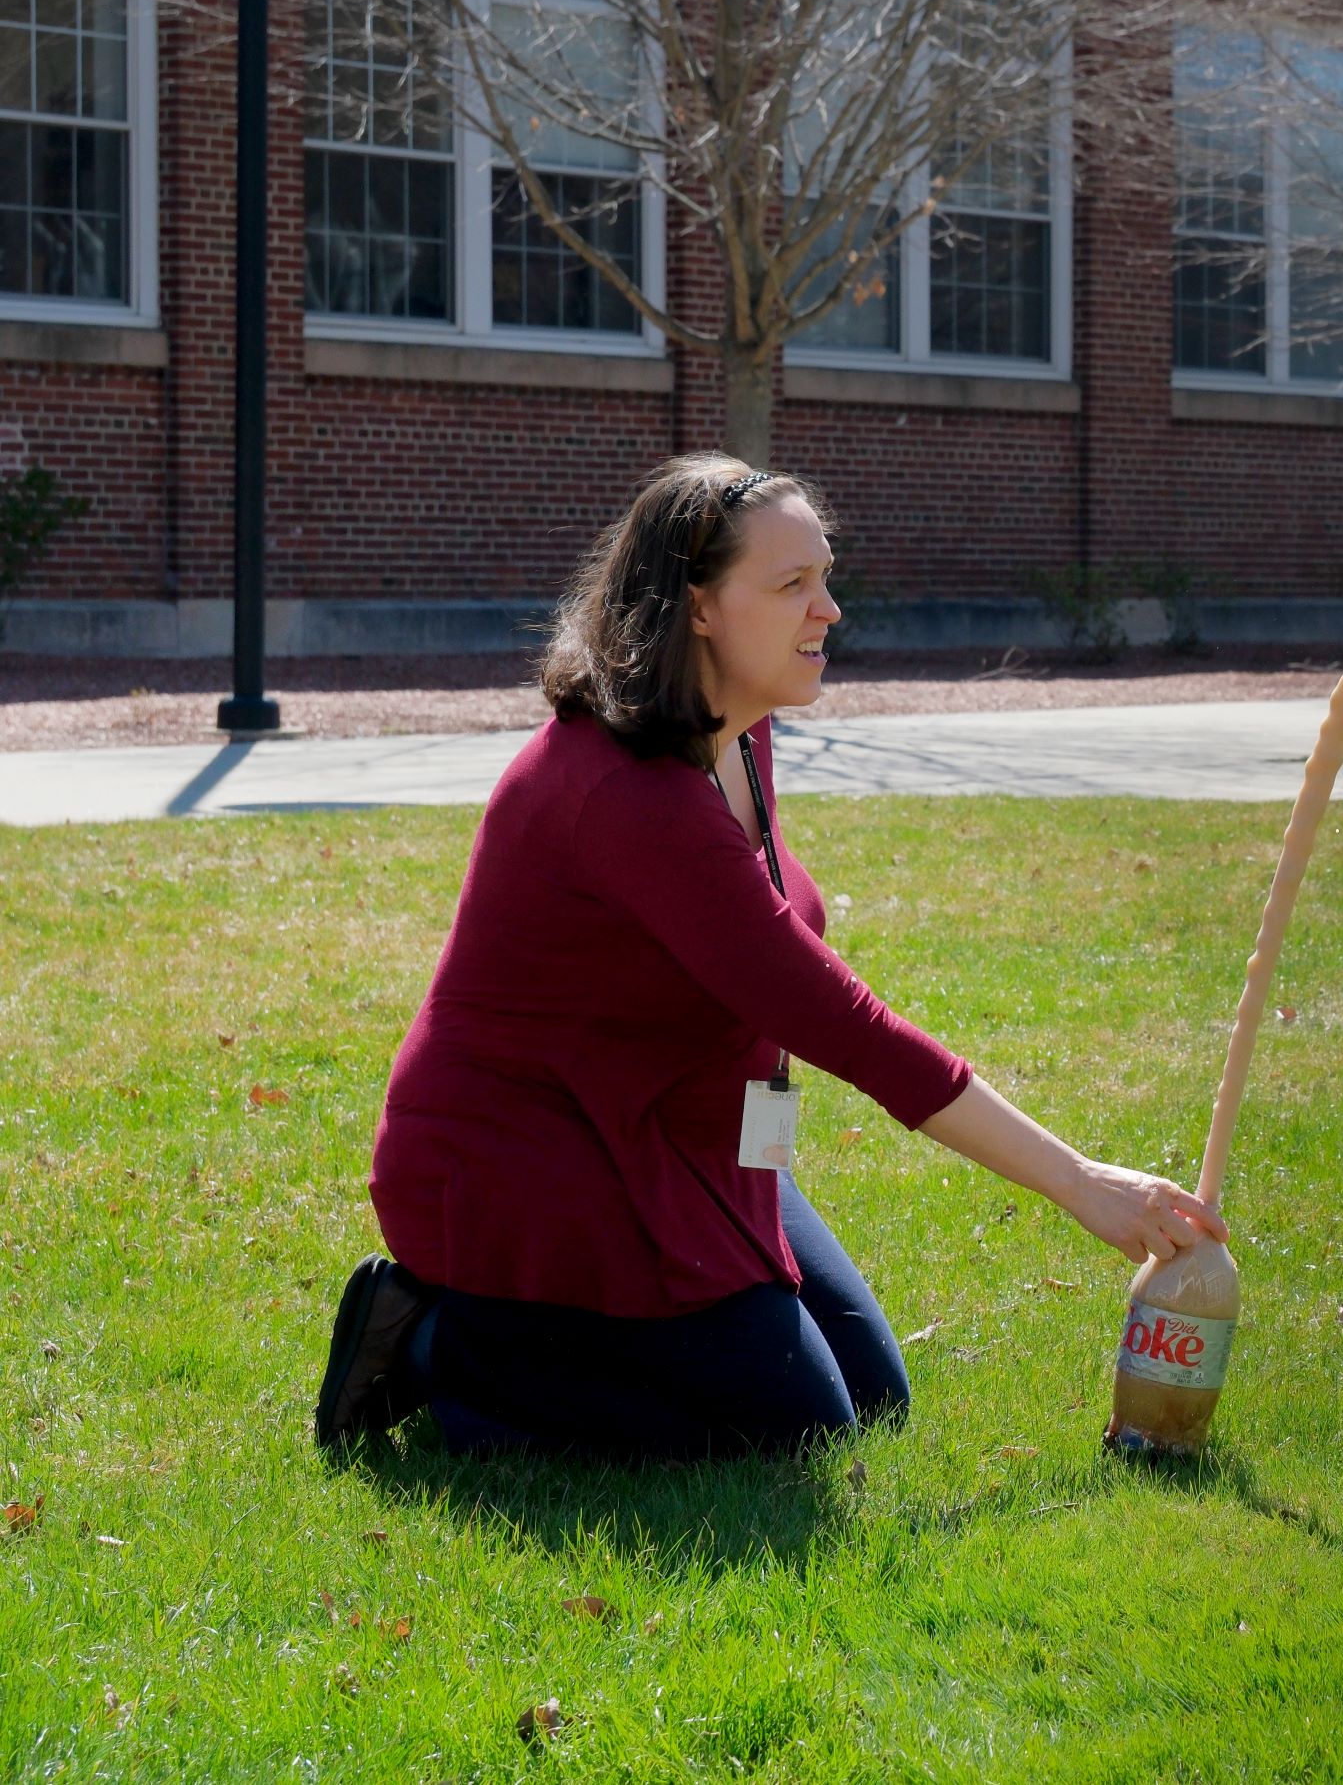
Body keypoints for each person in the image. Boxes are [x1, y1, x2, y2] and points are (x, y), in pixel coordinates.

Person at [314, 454, 1225, 1459]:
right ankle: (440, 1343)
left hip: (681, 1138)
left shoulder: (739, 733)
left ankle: (532, 1339)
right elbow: (847, 1027)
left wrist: (759, 1164)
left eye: (825, 578)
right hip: (533, 1163)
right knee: (794, 1427)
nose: (828, 609)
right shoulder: (625, 795)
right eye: (791, 585)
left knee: (870, 1401)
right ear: (696, 606)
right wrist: (1083, 1181)